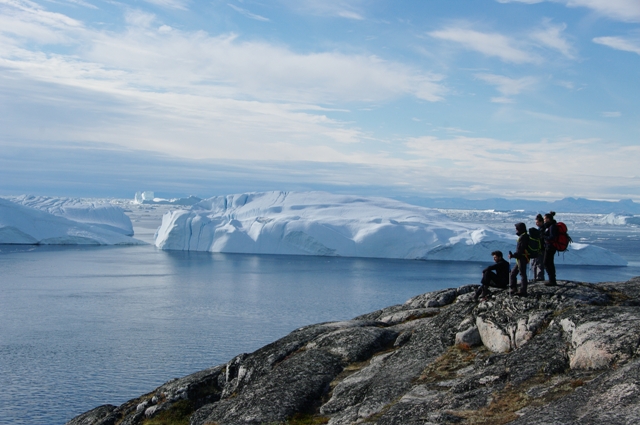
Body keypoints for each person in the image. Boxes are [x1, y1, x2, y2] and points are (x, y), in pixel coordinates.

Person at [509, 222, 529, 296]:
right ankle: (514, 288)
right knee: (513, 273)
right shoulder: (525, 236)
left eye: (517, 229)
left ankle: (523, 290)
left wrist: (513, 255)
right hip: (522, 257)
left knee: (522, 274)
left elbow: (520, 251)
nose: (516, 230)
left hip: (521, 258)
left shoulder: (523, 238)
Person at [542, 211, 558, 286]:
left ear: (548, 219)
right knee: (549, 262)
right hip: (549, 246)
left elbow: (552, 237)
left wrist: (544, 237)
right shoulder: (550, 226)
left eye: (545, 219)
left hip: (550, 247)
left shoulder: (552, 227)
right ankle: (552, 279)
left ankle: (552, 280)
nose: (544, 220)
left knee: (547, 262)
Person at [530, 214, 545, 282]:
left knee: (539, 263)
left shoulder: (542, 229)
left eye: (537, 222)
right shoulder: (541, 229)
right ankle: (537, 276)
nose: (536, 224)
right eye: (536, 222)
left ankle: (539, 277)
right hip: (540, 249)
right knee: (536, 263)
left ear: (541, 222)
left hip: (540, 249)